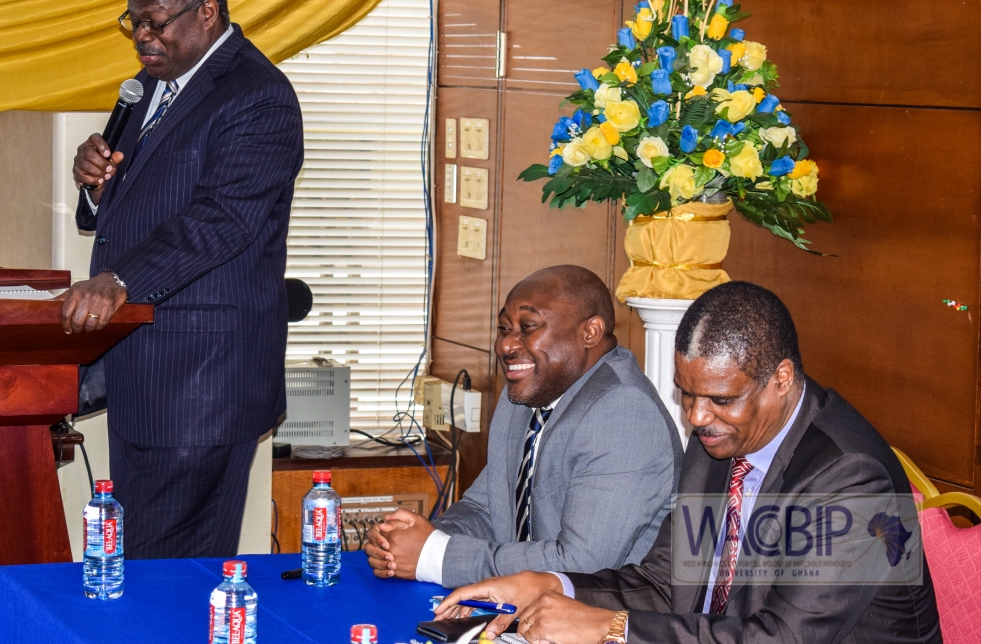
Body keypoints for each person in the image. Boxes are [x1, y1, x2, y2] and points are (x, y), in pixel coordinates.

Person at [436, 281, 941, 644]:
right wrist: (550, 582)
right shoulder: (721, 444)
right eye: (686, 395)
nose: (697, 418)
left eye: (720, 398)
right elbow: (664, 584)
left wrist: (612, 628)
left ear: (781, 379)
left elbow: (784, 637)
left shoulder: (849, 478)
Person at [65, 0, 303, 559]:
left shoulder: (258, 96)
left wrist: (118, 280)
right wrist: (95, 186)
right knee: (138, 564)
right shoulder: (149, 86)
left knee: (170, 575)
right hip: (145, 372)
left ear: (207, 13)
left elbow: (223, 219)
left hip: (202, 384)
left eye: (155, 21)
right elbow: (135, 209)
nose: (142, 36)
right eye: (133, 22)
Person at [365, 266, 683, 588]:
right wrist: (412, 542)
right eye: (504, 328)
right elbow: (486, 509)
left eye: (528, 327)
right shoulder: (525, 395)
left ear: (590, 332)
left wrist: (435, 555)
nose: (505, 345)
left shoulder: (623, 411)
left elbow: (580, 566)